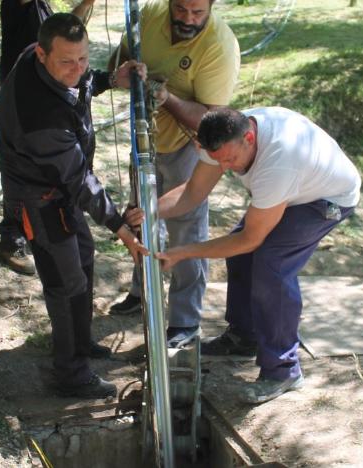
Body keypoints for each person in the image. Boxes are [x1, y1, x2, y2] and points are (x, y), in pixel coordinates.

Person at [155, 107, 361, 404]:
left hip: (328, 199)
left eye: (230, 160)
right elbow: (192, 193)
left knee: (271, 264)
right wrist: (148, 211)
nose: (224, 167)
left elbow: (250, 239)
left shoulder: (278, 161)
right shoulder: (221, 136)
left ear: (249, 137)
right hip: (296, 187)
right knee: (240, 257)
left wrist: (185, 252)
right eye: (218, 160)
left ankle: (283, 369)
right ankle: (245, 336)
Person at [0, 13, 149, 399]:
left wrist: (111, 79)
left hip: (59, 186)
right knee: (65, 281)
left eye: (82, 58)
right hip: (39, 196)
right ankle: (70, 373)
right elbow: (80, 180)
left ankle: (80, 343)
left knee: (82, 255)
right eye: (67, 61)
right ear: (43, 55)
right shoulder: (40, 116)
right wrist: (121, 226)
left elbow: (80, 82)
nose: (77, 69)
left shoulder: (38, 53)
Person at [107, 0, 240, 350]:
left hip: (188, 147)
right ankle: (143, 290)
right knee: (140, 217)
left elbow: (213, 124)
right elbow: (116, 61)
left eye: (198, 13)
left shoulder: (218, 46)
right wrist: (122, 73)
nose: (188, 19)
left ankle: (184, 321)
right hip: (144, 141)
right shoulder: (148, 16)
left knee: (186, 229)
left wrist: (166, 99)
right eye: (181, 10)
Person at [0, 0, 97, 275]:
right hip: (22, 97)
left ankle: (39, 227)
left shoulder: (42, 7)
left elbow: (65, 29)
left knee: (50, 171)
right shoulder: (18, 4)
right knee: (19, 168)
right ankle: (11, 239)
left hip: (47, 88)